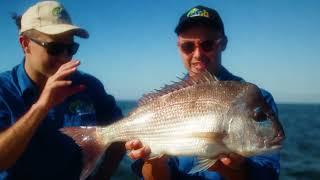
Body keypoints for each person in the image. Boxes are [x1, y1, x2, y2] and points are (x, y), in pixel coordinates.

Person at [125, 5, 283, 180]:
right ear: (178, 47)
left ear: (223, 43)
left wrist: (235, 169)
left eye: (207, 44)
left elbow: (268, 174)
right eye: (188, 46)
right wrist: (154, 161)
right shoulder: (165, 101)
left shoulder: (255, 97)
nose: (198, 54)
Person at [0, 1, 125, 179]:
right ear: (25, 44)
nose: (64, 57)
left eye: (71, 48)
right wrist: (41, 107)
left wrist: (102, 176)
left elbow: (120, 135)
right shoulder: (3, 91)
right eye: (55, 48)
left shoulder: (89, 87)